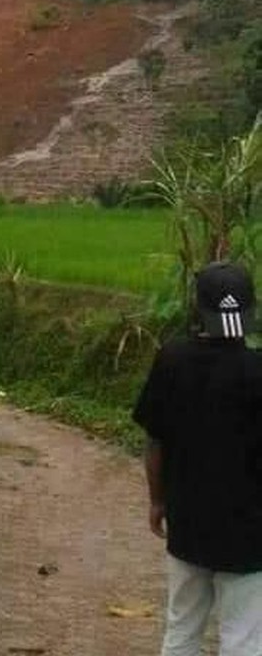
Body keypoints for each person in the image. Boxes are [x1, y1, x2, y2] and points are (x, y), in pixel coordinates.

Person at [133, 260, 262, 656]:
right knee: (243, 639)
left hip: (188, 523)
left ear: (198, 308)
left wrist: (157, 502)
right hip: (250, 534)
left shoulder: (172, 359)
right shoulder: (257, 371)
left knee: (182, 629)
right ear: (250, 309)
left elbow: (155, 442)